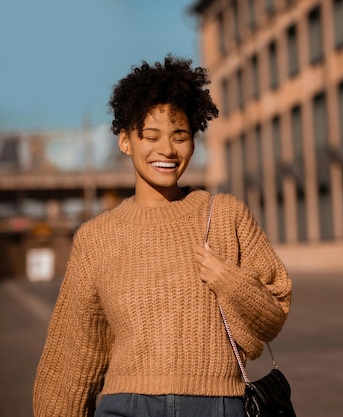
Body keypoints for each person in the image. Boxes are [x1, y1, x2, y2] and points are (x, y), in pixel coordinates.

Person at [33, 55, 292, 417]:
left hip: (217, 406)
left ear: (193, 142)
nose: (167, 150)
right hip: (126, 406)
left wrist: (228, 282)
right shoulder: (96, 237)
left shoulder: (225, 215)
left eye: (179, 136)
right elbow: (74, 353)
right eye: (150, 136)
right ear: (125, 141)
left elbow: (274, 311)